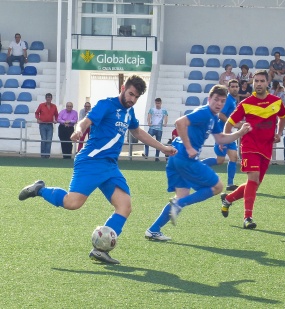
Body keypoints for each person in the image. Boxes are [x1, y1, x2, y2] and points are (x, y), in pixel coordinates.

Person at [18, 75, 177, 264]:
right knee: (72, 203)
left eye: (136, 97)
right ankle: (40, 189)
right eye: (131, 94)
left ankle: (100, 250)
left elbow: (137, 132)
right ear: (123, 87)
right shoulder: (106, 104)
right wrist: (78, 130)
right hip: (91, 161)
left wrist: (163, 148)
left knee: (125, 206)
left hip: (110, 166)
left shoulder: (129, 112)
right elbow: (86, 122)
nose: (132, 99)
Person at [144, 85, 251, 241]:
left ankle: (154, 229)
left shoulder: (213, 118)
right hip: (184, 158)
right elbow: (179, 122)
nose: (219, 104)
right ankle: (180, 204)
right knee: (218, 187)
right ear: (209, 99)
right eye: (216, 100)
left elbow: (220, 138)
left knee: (181, 194)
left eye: (222, 101)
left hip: (176, 158)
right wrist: (189, 147)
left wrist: (240, 132)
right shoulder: (204, 112)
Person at [221, 70, 285, 229]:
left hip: (266, 147)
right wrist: (225, 139)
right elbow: (229, 123)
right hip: (249, 146)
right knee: (253, 179)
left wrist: (279, 133)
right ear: (253, 83)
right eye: (256, 81)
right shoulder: (245, 104)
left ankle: (228, 199)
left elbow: (283, 117)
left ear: (267, 83)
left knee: (255, 183)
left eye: (261, 81)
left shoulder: (276, 102)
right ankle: (247, 218)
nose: (258, 84)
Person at [202, 79, 241, 191]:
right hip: (223, 132)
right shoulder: (228, 100)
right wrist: (233, 123)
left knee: (234, 157)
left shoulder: (233, 100)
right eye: (232, 86)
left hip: (228, 133)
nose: (235, 88)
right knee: (220, 160)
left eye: (236, 86)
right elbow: (221, 115)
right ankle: (196, 166)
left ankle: (230, 184)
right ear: (229, 89)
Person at [35, 93, 58, 158]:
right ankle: (42, 155)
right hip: (42, 124)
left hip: (50, 124)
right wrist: (38, 119)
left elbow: (56, 114)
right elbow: (37, 113)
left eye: (49, 97)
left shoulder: (54, 106)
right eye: (47, 97)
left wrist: (55, 120)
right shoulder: (41, 105)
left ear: (51, 98)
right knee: (44, 139)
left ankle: (47, 155)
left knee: (49, 140)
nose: (48, 98)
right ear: (45, 98)